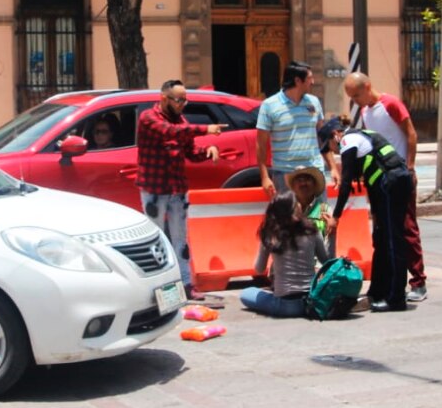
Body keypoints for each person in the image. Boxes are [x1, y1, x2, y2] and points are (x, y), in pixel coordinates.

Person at [136, 80, 225, 300]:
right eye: (179, 100)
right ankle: (154, 288)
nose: (183, 104)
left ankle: (186, 284)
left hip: (177, 189)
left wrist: (208, 150)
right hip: (155, 190)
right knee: (154, 239)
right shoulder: (148, 118)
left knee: (181, 239)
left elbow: (191, 151)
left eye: (185, 99)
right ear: (164, 98)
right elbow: (169, 132)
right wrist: (206, 129)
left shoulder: (181, 121)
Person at [343, 72, 428, 302]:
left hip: (399, 175)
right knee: (383, 231)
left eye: (357, 94)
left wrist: (410, 167)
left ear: (368, 86)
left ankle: (418, 281)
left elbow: (410, 133)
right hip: (381, 179)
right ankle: (390, 282)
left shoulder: (390, 104)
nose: (356, 101)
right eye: (352, 97)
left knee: (407, 227)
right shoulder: (365, 112)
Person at [321, 114, 412, 313]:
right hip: (390, 184)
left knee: (392, 241)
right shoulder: (362, 137)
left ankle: (396, 298)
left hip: (392, 182)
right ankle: (378, 292)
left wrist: (336, 217)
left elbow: (345, 185)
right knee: (380, 239)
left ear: (335, 134)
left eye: (331, 147)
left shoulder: (348, 139)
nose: (335, 152)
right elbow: (372, 174)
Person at [240, 184, 330, 318]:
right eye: (297, 204)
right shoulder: (312, 231)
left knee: (246, 293)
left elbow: (259, 269)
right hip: (308, 303)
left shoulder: (271, 235)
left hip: (282, 305)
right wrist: (332, 236)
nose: (300, 205)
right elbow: (327, 262)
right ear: (293, 210)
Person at [257, 61, 327, 198]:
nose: (313, 82)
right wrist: (264, 176)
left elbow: (323, 136)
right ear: (297, 80)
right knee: (288, 217)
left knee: (319, 217)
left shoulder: (314, 102)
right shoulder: (269, 105)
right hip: (284, 174)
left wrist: (333, 168)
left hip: (315, 172)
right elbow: (260, 143)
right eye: (309, 78)